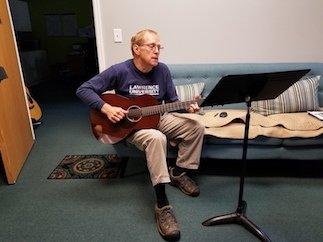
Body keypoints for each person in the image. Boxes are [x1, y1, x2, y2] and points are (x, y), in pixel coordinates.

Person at [76, 29, 204, 241]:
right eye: (151, 46)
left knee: (196, 126)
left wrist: (187, 108)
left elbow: (172, 101)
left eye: (159, 47)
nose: (157, 51)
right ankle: (162, 204)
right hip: (132, 127)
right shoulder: (120, 70)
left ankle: (180, 172)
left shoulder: (162, 71)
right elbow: (83, 89)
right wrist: (106, 107)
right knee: (156, 137)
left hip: (158, 118)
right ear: (136, 49)